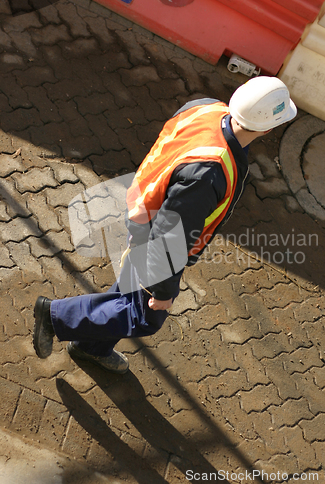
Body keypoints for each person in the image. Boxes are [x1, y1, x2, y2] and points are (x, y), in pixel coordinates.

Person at [33, 76, 297, 374]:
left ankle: (91, 347)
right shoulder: (209, 175)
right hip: (152, 233)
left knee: (127, 292)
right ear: (268, 127)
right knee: (145, 314)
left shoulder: (205, 107)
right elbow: (170, 240)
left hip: (145, 205)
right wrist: (164, 291)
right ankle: (56, 316)